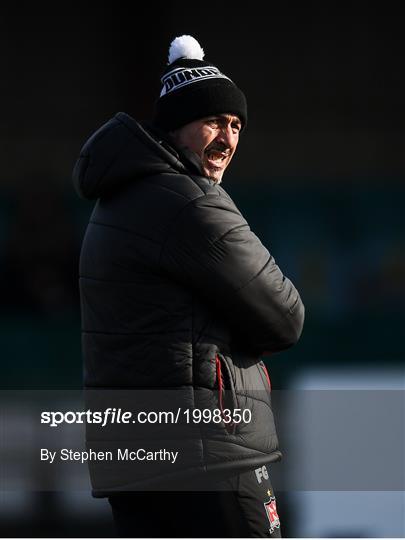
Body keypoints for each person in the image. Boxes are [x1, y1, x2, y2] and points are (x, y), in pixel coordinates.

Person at [73, 35, 304, 538]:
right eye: (213, 122)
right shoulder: (190, 203)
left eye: (236, 125)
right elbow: (286, 317)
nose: (227, 138)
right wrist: (239, 329)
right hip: (209, 457)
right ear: (176, 128)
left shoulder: (114, 202)